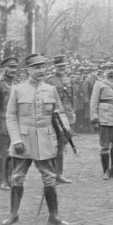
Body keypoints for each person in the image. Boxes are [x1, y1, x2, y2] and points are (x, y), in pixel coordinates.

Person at [4, 53, 71, 225]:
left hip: (45, 139)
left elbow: (60, 112)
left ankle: (54, 216)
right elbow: (10, 117)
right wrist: (16, 139)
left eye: (43, 67)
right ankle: (13, 214)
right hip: (23, 140)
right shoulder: (17, 90)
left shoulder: (51, 89)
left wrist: (66, 129)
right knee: (17, 177)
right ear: (28, 70)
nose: (41, 70)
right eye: (37, 67)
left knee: (49, 177)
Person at [0, 56, 19, 191]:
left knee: (14, 152)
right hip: (3, 123)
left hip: (16, 124)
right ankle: (2, 180)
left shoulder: (18, 84)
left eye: (15, 67)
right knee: (4, 153)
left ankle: (10, 178)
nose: (13, 70)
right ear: (3, 69)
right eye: (10, 67)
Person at [46, 55, 75, 183]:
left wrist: (72, 114)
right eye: (59, 66)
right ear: (55, 67)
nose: (62, 68)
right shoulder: (49, 81)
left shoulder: (68, 79)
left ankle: (60, 174)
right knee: (55, 146)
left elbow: (71, 98)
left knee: (63, 144)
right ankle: (53, 174)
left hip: (67, 115)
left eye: (63, 66)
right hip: (55, 116)